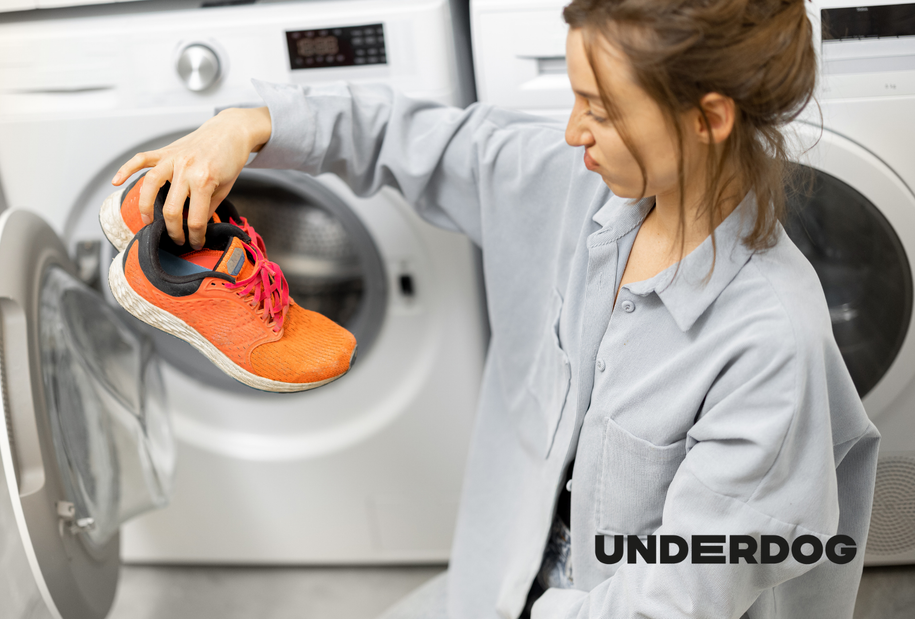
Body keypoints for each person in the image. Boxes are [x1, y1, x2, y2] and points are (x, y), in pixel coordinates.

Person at [111, 0, 880, 617]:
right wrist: (243, 126)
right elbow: (421, 140)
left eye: (602, 110)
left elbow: (682, 594)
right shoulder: (570, 186)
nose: (575, 131)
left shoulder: (770, 339)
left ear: (709, 118)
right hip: (503, 577)